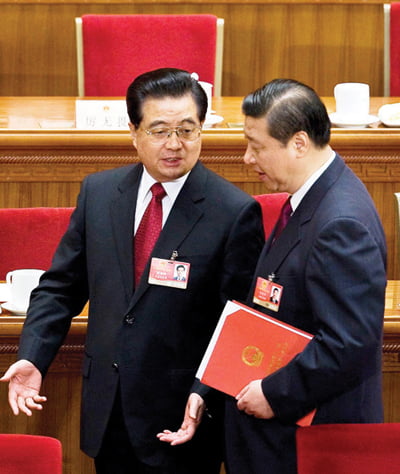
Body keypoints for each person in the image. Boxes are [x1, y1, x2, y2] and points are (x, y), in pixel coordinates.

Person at [0, 68, 265, 474]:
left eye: (187, 130)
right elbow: (59, 288)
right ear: (133, 131)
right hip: (109, 411)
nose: (174, 144)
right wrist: (34, 356)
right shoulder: (99, 193)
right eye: (159, 130)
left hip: (182, 419)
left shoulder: (233, 211)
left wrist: (204, 393)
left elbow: (241, 323)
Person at [158, 78, 387, 474]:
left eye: (257, 146)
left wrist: (274, 393)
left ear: (298, 143)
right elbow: (263, 305)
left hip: (310, 444)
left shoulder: (341, 222)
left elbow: (349, 344)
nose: (247, 158)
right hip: (276, 437)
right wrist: (211, 383)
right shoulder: (307, 201)